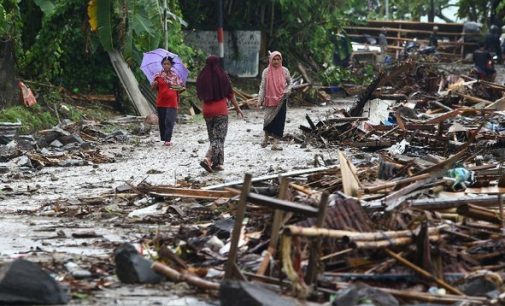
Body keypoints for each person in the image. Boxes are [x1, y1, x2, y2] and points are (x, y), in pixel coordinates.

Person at [196, 55, 244, 173]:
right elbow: (231, 95)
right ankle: (207, 158)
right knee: (219, 138)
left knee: (214, 138)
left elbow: (199, 94)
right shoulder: (223, 76)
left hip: (207, 111)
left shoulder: (202, 77)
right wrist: (238, 109)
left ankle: (218, 163)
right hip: (220, 111)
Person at [258, 51, 293, 150]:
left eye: (278, 59)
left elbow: (290, 83)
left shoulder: (285, 71)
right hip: (269, 99)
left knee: (279, 121)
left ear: (281, 60)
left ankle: (275, 144)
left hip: (282, 99)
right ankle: (266, 138)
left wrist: (287, 90)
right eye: (274, 59)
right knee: (267, 120)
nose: (276, 61)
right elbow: (262, 87)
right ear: (270, 60)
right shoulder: (266, 72)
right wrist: (259, 99)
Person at [151, 56, 185, 146]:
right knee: (162, 121)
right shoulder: (158, 76)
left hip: (172, 102)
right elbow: (152, 88)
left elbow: (181, 89)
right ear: (162, 65)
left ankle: (167, 139)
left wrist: (177, 86)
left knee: (169, 121)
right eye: (164, 64)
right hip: (161, 102)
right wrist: (154, 84)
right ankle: (164, 138)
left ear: (171, 65)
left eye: (168, 64)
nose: (166, 65)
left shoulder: (175, 76)